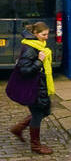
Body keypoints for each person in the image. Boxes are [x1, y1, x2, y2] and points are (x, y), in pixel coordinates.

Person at [8, 24, 53, 154]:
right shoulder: (30, 49)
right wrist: (39, 61)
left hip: (40, 85)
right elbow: (25, 70)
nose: (46, 37)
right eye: (43, 35)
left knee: (45, 111)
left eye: (47, 34)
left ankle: (18, 128)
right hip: (34, 87)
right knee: (38, 114)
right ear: (35, 33)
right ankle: (35, 145)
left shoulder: (38, 45)